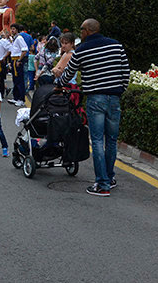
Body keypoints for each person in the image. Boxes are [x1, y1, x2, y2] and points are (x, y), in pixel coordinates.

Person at [55, 18, 130, 197]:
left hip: (96, 99)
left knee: (96, 140)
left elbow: (68, 74)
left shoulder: (82, 50)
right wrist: (120, 90)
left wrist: (58, 84)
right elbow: (125, 71)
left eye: (81, 30)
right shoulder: (116, 46)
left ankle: (102, 184)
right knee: (111, 140)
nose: (80, 34)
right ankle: (110, 178)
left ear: (87, 31)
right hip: (114, 98)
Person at [7, 24, 29, 107]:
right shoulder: (14, 39)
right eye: (11, 29)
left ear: (17, 30)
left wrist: (19, 60)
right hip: (13, 60)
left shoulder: (19, 38)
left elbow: (24, 49)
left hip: (17, 60)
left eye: (14, 29)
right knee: (15, 79)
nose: (12, 31)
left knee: (19, 80)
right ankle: (16, 97)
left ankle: (21, 99)